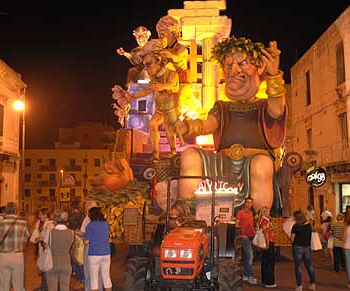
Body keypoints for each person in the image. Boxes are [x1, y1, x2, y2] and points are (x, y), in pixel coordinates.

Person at [174, 37, 286, 215]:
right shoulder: (222, 108)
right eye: (228, 66)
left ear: (260, 68)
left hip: (253, 162)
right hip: (223, 163)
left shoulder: (264, 105)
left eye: (242, 63)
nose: (234, 71)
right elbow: (208, 124)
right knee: (189, 155)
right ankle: (186, 207)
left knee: (262, 164)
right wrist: (188, 126)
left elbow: (277, 109)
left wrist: (274, 76)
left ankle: (260, 217)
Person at [112, 41, 182, 160]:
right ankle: (155, 153)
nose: (145, 68)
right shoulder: (154, 77)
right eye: (144, 64)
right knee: (152, 124)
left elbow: (173, 86)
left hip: (171, 107)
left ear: (158, 61)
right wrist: (133, 97)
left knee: (168, 126)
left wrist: (163, 86)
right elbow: (147, 90)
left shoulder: (171, 73)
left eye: (148, 64)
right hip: (160, 108)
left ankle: (174, 151)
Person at [0, 202, 30, 291]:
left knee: (3, 289)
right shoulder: (22, 222)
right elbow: (26, 239)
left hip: (2, 256)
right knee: (19, 287)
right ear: (16, 210)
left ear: (6, 211)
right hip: (17, 255)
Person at [45, 209, 74, 291]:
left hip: (53, 262)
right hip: (66, 262)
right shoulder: (71, 233)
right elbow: (70, 246)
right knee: (65, 290)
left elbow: (47, 245)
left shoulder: (51, 232)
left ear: (55, 219)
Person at [84, 207, 112, 291]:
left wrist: (85, 239)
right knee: (106, 277)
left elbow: (86, 242)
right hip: (106, 253)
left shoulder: (90, 225)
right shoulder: (106, 224)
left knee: (94, 279)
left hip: (94, 254)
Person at [77, 199, 104, 291]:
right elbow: (84, 232)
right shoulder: (86, 219)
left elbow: (89, 236)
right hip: (89, 247)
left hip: (95, 247)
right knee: (87, 271)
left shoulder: (99, 220)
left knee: (98, 273)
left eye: (88, 209)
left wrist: (83, 235)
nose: (87, 211)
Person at [155, 15, 189, 84]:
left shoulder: (182, 48)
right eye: (159, 35)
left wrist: (169, 55)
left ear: (173, 33)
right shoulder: (163, 50)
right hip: (167, 81)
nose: (161, 37)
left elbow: (176, 58)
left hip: (181, 81)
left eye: (163, 34)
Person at [290, 210, 316, 291]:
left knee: (298, 267)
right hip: (307, 247)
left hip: (297, 248)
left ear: (296, 218)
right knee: (309, 266)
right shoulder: (309, 225)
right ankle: (312, 284)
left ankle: (299, 285)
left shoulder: (296, 226)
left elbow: (292, 238)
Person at [235, 197, 257, 285]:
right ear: (244, 203)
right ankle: (250, 276)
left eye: (250, 202)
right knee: (250, 256)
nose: (249, 204)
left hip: (252, 236)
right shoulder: (240, 213)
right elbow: (237, 225)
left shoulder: (251, 213)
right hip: (245, 237)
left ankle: (245, 274)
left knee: (248, 256)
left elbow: (250, 225)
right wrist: (240, 235)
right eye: (247, 202)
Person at [258, 207, 276, 288]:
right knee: (270, 262)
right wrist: (272, 228)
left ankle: (265, 280)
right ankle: (269, 282)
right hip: (268, 242)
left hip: (267, 242)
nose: (269, 212)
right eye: (268, 211)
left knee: (265, 262)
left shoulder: (263, 220)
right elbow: (265, 231)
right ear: (264, 212)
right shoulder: (265, 220)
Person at [68, 206, 85, 289]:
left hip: (80, 248)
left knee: (79, 265)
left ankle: (82, 281)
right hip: (75, 247)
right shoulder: (73, 226)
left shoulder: (82, 222)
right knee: (75, 266)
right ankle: (81, 280)